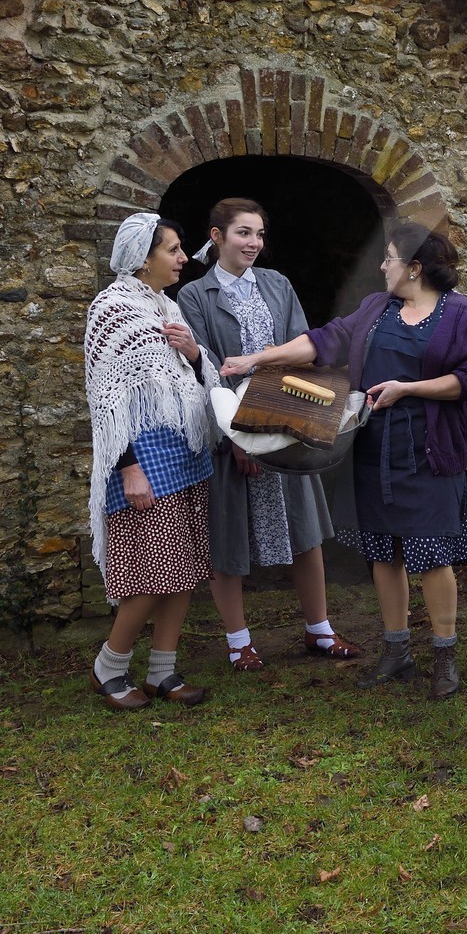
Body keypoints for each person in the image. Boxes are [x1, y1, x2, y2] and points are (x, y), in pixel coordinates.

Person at [220, 222, 467, 701]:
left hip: (428, 450)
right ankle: (397, 651)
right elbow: (324, 340)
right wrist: (256, 361)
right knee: (383, 555)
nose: (382, 266)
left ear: (415, 267)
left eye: (389, 258)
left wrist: (409, 389)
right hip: (372, 451)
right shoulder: (376, 308)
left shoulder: (461, 314)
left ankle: (444, 655)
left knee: (431, 557)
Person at [177, 198, 349, 670]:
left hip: (285, 419)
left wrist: (273, 424)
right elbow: (205, 370)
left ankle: (320, 631)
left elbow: (301, 351)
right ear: (217, 237)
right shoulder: (194, 296)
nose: (254, 244)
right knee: (227, 536)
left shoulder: (277, 284)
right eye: (243, 234)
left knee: (306, 531)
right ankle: (238, 642)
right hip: (230, 428)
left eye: (258, 235)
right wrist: (240, 437)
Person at [84, 212, 219, 709]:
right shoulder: (113, 309)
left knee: (183, 568)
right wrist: (128, 467)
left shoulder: (168, 306)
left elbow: (191, 375)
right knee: (149, 573)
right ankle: (109, 666)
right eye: (173, 249)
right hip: (141, 461)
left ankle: (162, 670)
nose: (184, 258)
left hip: (185, 455)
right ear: (143, 258)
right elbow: (107, 399)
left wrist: (195, 354)